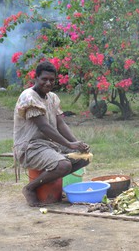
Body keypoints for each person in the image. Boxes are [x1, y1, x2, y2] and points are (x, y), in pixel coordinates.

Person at [13, 61, 91, 207]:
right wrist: (68, 144)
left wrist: (76, 143)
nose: (48, 83)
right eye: (44, 79)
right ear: (36, 78)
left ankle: (52, 184)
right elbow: (44, 127)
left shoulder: (52, 97)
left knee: (84, 158)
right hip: (30, 147)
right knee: (63, 165)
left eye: (52, 80)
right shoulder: (29, 97)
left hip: (49, 145)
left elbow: (60, 123)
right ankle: (30, 188)